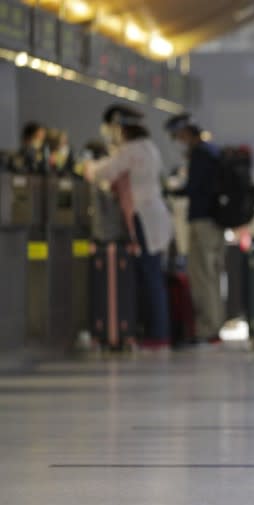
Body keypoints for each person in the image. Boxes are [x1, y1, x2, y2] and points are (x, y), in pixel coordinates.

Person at [84, 105, 173, 349]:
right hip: (151, 215)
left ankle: (157, 333)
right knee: (152, 273)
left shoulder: (131, 150)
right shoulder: (148, 147)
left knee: (150, 274)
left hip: (144, 217)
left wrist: (88, 167)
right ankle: (157, 330)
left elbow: (104, 171)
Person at [164, 114, 223, 344]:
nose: (179, 140)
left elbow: (194, 188)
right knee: (213, 276)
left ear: (186, 133)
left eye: (179, 136)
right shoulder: (213, 152)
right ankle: (214, 325)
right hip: (215, 222)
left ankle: (207, 327)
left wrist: (171, 191)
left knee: (201, 276)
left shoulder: (200, 154)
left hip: (202, 221)